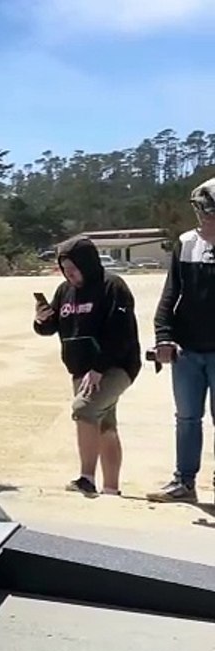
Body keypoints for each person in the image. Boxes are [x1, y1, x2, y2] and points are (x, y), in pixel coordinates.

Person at [33, 238, 141, 497]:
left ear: (87, 264)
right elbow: (52, 328)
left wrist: (99, 368)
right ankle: (112, 489)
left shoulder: (112, 286)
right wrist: (41, 321)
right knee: (104, 424)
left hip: (115, 366)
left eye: (74, 267)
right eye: (64, 268)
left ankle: (86, 478)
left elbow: (121, 333)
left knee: (85, 409)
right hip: (80, 370)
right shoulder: (64, 291)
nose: (69, 273)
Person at [146, 177, 215, 503]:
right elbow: (170, 294)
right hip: (187, 351)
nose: (204, 218)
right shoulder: (187, 244)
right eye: (202, 211)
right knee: (187, 418)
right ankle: (184, 483)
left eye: (210, 212)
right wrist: (164, 336)